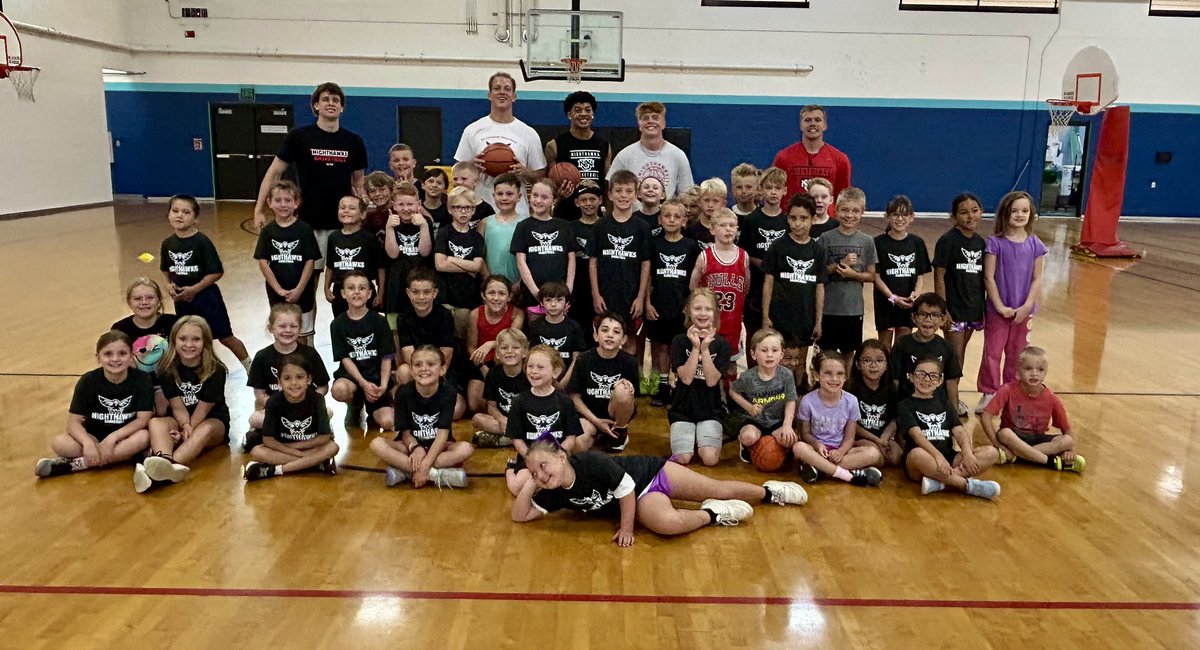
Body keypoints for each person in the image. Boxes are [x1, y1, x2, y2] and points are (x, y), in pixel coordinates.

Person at [513, 436, 808, 546]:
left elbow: (626, 489)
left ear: (562, 457)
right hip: (643, 500)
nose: (541, 474)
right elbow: (520, 517)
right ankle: (714, 514)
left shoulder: (590, 462)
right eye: (535, 471)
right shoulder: (551, 491)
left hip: (649, 474)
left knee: (717, 487)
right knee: (668, 525)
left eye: (544, 465)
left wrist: (627, 528)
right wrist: (530, 482)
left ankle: (770, 493)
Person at [253, 82, 368, 329]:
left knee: (348, 286)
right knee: (306, 288)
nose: (330, 103)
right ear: (316, 105)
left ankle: (350, 335)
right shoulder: (299, 137)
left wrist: (363, 214)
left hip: (342, 228)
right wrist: (258, 208)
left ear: (342, 108)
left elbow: (359, 183)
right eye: (325, 99)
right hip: (307, 225)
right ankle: (306, 339)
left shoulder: (353, 141)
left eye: (336, 100)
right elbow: (274, 172)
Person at [35, 331, 152, 478]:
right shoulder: (88, 381)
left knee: (144, 437)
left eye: (122, 353)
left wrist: (113, 438)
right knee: (60, 443)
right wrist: (87, 444)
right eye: (108, 354)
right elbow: (73, 423)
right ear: (98, 358)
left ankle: (76, 465)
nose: (115, 359)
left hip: (125, 436)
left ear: (131, 356)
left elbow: (143, 419)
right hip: (94, 437)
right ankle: (125, 456)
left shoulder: (142, 380)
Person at [159, 194, 251, 370]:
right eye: (175, 211)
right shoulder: (167, 243)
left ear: (195, 218)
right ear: (169, 214)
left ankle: (250, 368)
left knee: (225, 337)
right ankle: (199, 372)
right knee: (190, 338)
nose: (179, 215)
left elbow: (216, 272)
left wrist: (194, 289)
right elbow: (166, 270)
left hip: (207, 299)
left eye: (186, 212)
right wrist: (169, 285)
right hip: (183, 301)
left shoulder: (202, 242)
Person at [139, 316, 230, 493]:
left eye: (196, 339)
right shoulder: (166, 368)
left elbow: (204, 409)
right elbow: (177, 405)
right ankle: (163, 461)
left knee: (205, 429)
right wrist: (184, 426)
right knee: (156, 422)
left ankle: (167, 468)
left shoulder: (216, 369)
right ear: (174, 341)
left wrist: (187, 430)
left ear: (206, 342)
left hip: (212, 422)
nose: (189, 344)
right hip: (182, 420)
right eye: (183, 339)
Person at [976, 190, 1046, 414]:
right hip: (999, 310)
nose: (1020, 215)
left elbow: (1037, 279)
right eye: (1015, 211)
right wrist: (998, 306)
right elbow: (988, 277)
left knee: (1018, 353)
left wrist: (1026, 307)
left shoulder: (1036, 244)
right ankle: (990, 392)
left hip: (1023, 311)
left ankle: (1009, 392)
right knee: (993, 351)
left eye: (1025, 211)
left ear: (1031, 214)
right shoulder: (995, 243)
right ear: (1005, 213)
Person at [371, 345, 473, 489]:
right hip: (410, 447)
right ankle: (437, 475)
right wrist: (415, 447)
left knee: (466, 448)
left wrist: (424, 465)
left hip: (439, 448)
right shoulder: (403, 392)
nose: (424, 369)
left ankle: (407, 472)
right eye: (418, 365)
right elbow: (405, 433)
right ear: (412, 370)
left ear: (442, 370)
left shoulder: (448, 392)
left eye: (431, 364)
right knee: (377, 444)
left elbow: (443, 435)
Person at [900, 357, 1001, 499]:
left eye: (933, 376)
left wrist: (967, 454)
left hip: (949, 459)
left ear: (940, 381)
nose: (926, 379)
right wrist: (938, 457)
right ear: (911, 377)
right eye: (921, 374)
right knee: (917, 454)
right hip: (923, 461)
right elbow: (917, 437)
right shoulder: (905, 405)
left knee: (992, 453)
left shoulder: (945, 404)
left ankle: (942, 483)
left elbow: (959, 431)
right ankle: (966, 486)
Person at [980, 346, 1085, 472]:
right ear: (1018, 371)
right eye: (1028, 368)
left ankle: (1016, 457)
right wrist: (998, 444)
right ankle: (1049, 462)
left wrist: (1070, 450)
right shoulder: (1008, 390)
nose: (1034, 373)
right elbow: (985, 416)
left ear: (1046, 372)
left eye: (1040, 369)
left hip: (1037, 440)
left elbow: (1067, 431)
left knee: (1067, 441)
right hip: (1014, 438)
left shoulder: (1052, 398)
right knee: (1004, 434)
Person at [454, 72, 546, 216]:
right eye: (497, 88)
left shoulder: (528, 133)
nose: (502, 92)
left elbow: (540, 175)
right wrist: (471, 166)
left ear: (514, 96)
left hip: (517, 211)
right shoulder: (472, 130)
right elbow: (458, 171)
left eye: (507, 89)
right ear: (489, 95)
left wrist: (524, 172)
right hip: (479, 208)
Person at [793, 351, 884, 486]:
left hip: (841, 451)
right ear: (817, 376)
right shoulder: (807, 401)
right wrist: (817, 445)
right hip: (817, 451)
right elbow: (805, 434)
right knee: (799, 448)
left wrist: (841, 451)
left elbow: (849, 437)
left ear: (845, 377)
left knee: (873, 453)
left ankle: (821, 469)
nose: (834, 379)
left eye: (840, 374)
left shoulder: (851, 401)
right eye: (828, 373)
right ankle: (849, 475)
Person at [503, 345, 584, 495]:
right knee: (518, 488)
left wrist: (557, 457)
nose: (533, 371)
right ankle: (510, 470)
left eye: (540, 367)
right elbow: (517, 439)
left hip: (558, 458)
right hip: (530, 458)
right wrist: (531, 459)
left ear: (555, 371)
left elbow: (571, 438)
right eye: (530, 366)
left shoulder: (564, 401)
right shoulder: (519, 401)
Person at [243, 355, 339, 481]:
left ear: (309, 379)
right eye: (287, 378)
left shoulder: (317, 399)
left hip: (307, 446)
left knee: (332, 447)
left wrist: (297, 449)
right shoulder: (273, 402)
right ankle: (315, 463)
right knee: (256, 451)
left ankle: (276, 470)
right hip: (282, 447)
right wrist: (298, 453)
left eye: (300, 377)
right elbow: (268, 440)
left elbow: (324, 436)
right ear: (279, 382)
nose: (294, 383)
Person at [762, 193, 825, 377]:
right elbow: (768, 283)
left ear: (813, 219)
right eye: (793, 218)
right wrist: (766, 316)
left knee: (799, 361)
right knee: (777, 359)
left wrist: (818, 321)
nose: (798, 223)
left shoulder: (817, 250)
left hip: (805, 316)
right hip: (780, 315)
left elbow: (820, 287)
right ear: (787, 219)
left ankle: (796, 397)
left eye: (804, 218)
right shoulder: (778, 246)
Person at [646, 200, 702, 407]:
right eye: (667, 216)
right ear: (660, 219)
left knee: (679, 347)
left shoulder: (691, 246)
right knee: (660, 347)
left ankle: (679, 385)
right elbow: (648, 276)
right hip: (658, 304)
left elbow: (694, 281)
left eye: (676, 216)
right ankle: (661, 386)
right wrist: (647, 303)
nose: (671, 220)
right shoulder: (654, 244)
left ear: (684, 220)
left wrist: (689, 306)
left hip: (681, 307)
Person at [934, 192, 987, 410]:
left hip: (972, 310)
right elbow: (939, 275)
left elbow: (982, 279)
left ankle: (949, 398)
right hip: (953, 310)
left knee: (960, 355)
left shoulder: (980, 242)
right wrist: (942, 308)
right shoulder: (947, 241)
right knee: (954, 357)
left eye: (974, 211)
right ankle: (950, 404)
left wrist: (983, 307)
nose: (970, 216)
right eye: (964, 212)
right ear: (955, 215)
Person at [668, 288, 732, 466]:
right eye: (697, 309)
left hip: (711, 411)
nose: (702, 313)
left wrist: (705, 349)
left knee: (710, 459)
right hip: (682, 410)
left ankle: (702, 438)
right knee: (682, 459)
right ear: (689, 311)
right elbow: (686, 378)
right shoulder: (679, 341)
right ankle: (688, 437)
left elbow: (712, 381)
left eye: (708, 309)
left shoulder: (722, 345)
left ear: (715, 313)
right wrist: (696, 348)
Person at [589, 170, 652, 350]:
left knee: (629, 339)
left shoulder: (642, 227)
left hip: (631, 294)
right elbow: (593, 261)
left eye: (628, 191)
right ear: (609, 194)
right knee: (604, 338)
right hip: (605, 293)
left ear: (636, 195)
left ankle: (628, 377)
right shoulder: (600, 225)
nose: (623, 195)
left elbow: (646, 263)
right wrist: (595, 294)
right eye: (618, 191)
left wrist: (640, 297)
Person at [254, 180, 322, 345]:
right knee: (282, 332)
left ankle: (304, 367)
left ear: (296, 203)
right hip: (276, 294)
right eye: (278, 200)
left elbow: (310, 262)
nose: (283, 204)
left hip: (302, 294)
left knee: (301, 335)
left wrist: (299, 289)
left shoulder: (304, 230)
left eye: (288, 200)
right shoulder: (267, 232)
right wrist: (278, 289)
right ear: (269, 202)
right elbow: (263, 262)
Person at [393, 268, 468, 418]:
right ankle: (416, 406)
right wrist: (423, 374)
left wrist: (433, 375)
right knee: (403, 371)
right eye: (416, 292)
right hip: (417, 368)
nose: (421, 297)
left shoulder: (445, 315)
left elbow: (446, 353)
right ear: (408, 293)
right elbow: (408, 354)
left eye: (427, 292)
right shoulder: (403, 318)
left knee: (457, 411)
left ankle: (433, 406)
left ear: (435, 293)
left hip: (440, 368)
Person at [247, 303, 329, 436]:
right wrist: (279, 407)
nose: (288, 330)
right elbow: (259, 394)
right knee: (255, 419)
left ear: (300, 328)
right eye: (282, 326)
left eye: (293, 326)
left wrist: (312, 404)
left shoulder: (310, 354)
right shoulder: (262, 356)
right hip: (275, 409)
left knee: (327, 411)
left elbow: (323, 386)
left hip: (305, 410)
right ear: (271, 328)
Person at [329, 271, 395, 431]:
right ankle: (354, 405)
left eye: (362, 288)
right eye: (351, 288)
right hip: (352, 379)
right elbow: (344, 358)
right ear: (343, 294)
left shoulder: (380, 321)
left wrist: (384, 385)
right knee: (339, 390)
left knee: (388, 423)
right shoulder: (337, 324)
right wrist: (363, 384)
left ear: (369, 294)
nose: (357, 292)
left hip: (377, 379)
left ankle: (375, 409)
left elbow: (387, 356)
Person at [817, 187, 877, 357]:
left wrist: (854, 275)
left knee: (849, 353)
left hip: (853, 309)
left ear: (862, 212)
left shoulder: (867, 241)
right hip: (828, 308)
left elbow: (871, 275)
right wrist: (839, 265)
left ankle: (846, 384)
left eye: (855, 211)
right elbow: (818, 272)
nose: (849, 215)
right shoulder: (826, 238)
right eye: (845, 210)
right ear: (836, 210)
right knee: (826, 353)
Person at [690, 208, 749, 372]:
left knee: (730, 364)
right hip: (707, 322)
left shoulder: (744, 257)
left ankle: (729, 397)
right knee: (706, 362)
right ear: (712, 229)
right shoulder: (705, 257)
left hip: (733, 322)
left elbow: (745, 288)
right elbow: (693, 289)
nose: (728, 229)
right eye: (723, 225)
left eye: (732, 225)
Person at [571, 312, 639, 453]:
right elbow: (574, 397)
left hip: (614, 413)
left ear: (623, 339)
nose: (610, 335)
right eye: (604, 330)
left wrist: (625, 388)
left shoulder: (630, 362)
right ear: (596, 335)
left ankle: (619, 432)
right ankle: (599, 433)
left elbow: (632, 399)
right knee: (577, 444)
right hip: (589, 416)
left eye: (616, 332)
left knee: (623, 390)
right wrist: (597, 422)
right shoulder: (584, 360)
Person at [890, 294, 964, 422]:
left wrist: (954, 417)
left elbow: (951, 383)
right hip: (908, 408)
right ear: (914, 317)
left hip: (937, 407)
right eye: (923, 314)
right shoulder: (902, 344)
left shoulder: (947, 347)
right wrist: (893, 414)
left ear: (943, 319)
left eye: (934, 315)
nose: (928, 319)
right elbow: (894, 381)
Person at [730, 328, 798, 463]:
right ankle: (745, 446)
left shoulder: (786, 375)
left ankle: (778, 446)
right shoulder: (748, 377)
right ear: (753, 354)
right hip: (754, 421)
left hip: (776, 421)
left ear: (781, 354)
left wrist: (787, 425)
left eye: (774, 350)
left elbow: (791, 401)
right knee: (748, 437)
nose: (770, 355)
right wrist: (749, 407)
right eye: (764, 350)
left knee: (791, 440)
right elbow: (733, 391)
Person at [511, 178, 578, 314]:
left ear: (553, 200)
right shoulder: (523, 226)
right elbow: (521, 262)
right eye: (535, 195)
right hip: (532, 294)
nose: (538, 200)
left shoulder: (564, 226)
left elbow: (571, 259)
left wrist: (569, 288)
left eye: (544, 197)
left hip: (560, 295)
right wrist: (536, 292)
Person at [873, 195, 931, 351]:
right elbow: (875, 276)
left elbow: (920, 274)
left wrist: (916, 295)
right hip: (886, 304)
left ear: (912, 217)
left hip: (907, 305)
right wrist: (892, 297)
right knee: (884, 349)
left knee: (902, 348)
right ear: (887, 216)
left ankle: (899, 376)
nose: (899, 219)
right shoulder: (878, 243)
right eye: (895, 214)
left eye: (904, 215)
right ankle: (886, 376)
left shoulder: (917, 243)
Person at [607, 102, 695, 199]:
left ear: (663, 123)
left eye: (655, 117)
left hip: (666, 214)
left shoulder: (678, 155)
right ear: (639, 124)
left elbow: (687, 195)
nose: (650, 121)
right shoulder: (624, 156)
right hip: (634, 214)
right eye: (645, 118)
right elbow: (612, 190)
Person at [772, 104, 852, 210]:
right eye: (808, 120)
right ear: (800, 125)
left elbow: (843, 198)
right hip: (793, 220)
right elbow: (774, 191)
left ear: (825, 125)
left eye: (817, 120)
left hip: (827, 223)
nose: (813, 124)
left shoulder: (840, 159)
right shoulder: (783, 158)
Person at [434, 186, 488, 340]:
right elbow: (440, 265)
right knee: (444, 338)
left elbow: (477, 266)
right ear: (450, 209)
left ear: (473, 211)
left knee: (464, 340)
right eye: (458, 207)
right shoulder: (444, 232)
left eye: (467, 208)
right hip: (445, 296)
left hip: (467, 298)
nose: (463, 212)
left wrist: (451, 259)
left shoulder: (477, 237)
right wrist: (467, 267)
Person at [741, 167, 789, 341]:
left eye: (777, 188)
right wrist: (764, 265)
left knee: (778, 336)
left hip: (780, 288)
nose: (773, 192)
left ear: (785, 190)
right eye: (769, 188)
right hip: (755, 287)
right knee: (754, 336)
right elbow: (744, 252)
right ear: (761, 190)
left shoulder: (787, 221)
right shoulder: (752, 220)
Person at [383, 181, 433, 332]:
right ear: (394, 205)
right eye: (401, 204)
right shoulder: (391, 223)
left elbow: (425, 252)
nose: (406, 209)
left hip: (419, 282)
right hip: (396, 283)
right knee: (396, 330)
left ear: (419, 204)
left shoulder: (425, 222)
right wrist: (389, 228)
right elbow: (393, 254)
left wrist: (423, 226)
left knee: (420, 327)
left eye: (410, 204)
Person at [325, 195, 384, 317]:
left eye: (351, 208)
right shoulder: (333, 237)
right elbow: (330, 266)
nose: (346, 210)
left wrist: (381, 293)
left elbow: (380, 267)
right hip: (341, 291)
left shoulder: (369, 238)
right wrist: (326, 287)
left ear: (362, 214)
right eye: (342, 207)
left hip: (364, 290)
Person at [847, 339, 903, 467]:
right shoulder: (850, 389)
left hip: (882, 436)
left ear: (886, 364)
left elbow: (895, 419)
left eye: (879, 360)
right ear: (857, 364)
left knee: (898, 457)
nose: (874, 365)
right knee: (877, 457)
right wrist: (876, 441)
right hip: (858, 437)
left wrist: (885, 437)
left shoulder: (891, 388)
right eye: (867, 360)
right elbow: (851, 424)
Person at [471, 328, 529, 448]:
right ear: (497, 353)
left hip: (525, 420)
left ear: (524, 352)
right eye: (504, 348)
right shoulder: (493, 374)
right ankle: (515, 438)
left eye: (515, 348)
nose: (509, 351)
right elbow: (491, 406)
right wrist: (501, 418)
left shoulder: (530, 374)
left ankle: (505, 439)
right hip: (503, 422)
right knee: (477, 419)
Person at [545, 90, 611, 191]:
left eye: (588, 110)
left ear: (593, 114)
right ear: (569, 114)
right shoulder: (554, 145)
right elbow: (550, 186)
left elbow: (607, 186)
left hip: (593, 204)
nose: (583, 114)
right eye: (578, 110)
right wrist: (560, 196)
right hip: (566, 205)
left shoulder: (604, 145)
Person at [526, 280, 588, 388]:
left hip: (567, 381)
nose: (553, 304)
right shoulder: (536, 326)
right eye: (548, 300)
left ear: (566, 302)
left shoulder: (574, 327)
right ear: (541, 302)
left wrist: (564, 382)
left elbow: (576, 359)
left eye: (559, 300)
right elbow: (532, 355)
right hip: (541, 380)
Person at [112, 277, 179, 376]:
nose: (144, 302)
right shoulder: (120, 329)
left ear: (159, 301)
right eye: (137, 299)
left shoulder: (174, 323)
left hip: (172, 382)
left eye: (150, 298)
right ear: (129, 302)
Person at [467, 274, 524, 378]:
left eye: (502, 294)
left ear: (509, 297)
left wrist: (490, 344)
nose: (496, 298)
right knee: (475, 392)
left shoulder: (517, 314)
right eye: (491, 293)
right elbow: (472, 347)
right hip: (481, 362)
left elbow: (510, 340)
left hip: (507, 360)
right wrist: (483, 368)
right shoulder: (475, 314)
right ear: (483, 295)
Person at [477, 172, 524, 290]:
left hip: (519, 286)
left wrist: (520, 284)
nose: (504, 198)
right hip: (492, 286)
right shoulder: (485, 223)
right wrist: (489, 280)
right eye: (500, 194)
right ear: (493, 195)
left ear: (519, 196)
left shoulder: (527, 222)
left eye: (509, 194)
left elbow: (533, 258)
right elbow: (479, 256)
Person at [568, 182, 603, 332]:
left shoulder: (606, 225)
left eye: (592, 199)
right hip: (577, 285)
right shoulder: (569, 227)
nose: (588, 203)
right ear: (576, 202)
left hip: (600, 284)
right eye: (583, 200)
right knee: (578, 327)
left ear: (600, 200)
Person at [450, 161, 495, 228]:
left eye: (464, 179)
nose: (459, 182)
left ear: (476, 182)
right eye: (455, 179)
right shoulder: (448, 206)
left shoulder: (486, 209)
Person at [685, 178, 726, 248]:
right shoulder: (690, 232)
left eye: (715, 201)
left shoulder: (728, 230)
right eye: (706, 200)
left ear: (724, 204)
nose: (710, 205)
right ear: (699, 202)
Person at [363, 171, 396, 241]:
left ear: (391, 190)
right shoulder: (369, 217)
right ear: (368, 194)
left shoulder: (400, 212)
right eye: (372, 191)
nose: (377, 194)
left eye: (382, 189)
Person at [420, 167, 450, 232]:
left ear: (445, 189)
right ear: (423, 185)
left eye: (439, 183)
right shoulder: (417, 209)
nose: (434, 185)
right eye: (430, 181)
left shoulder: (450, 211)